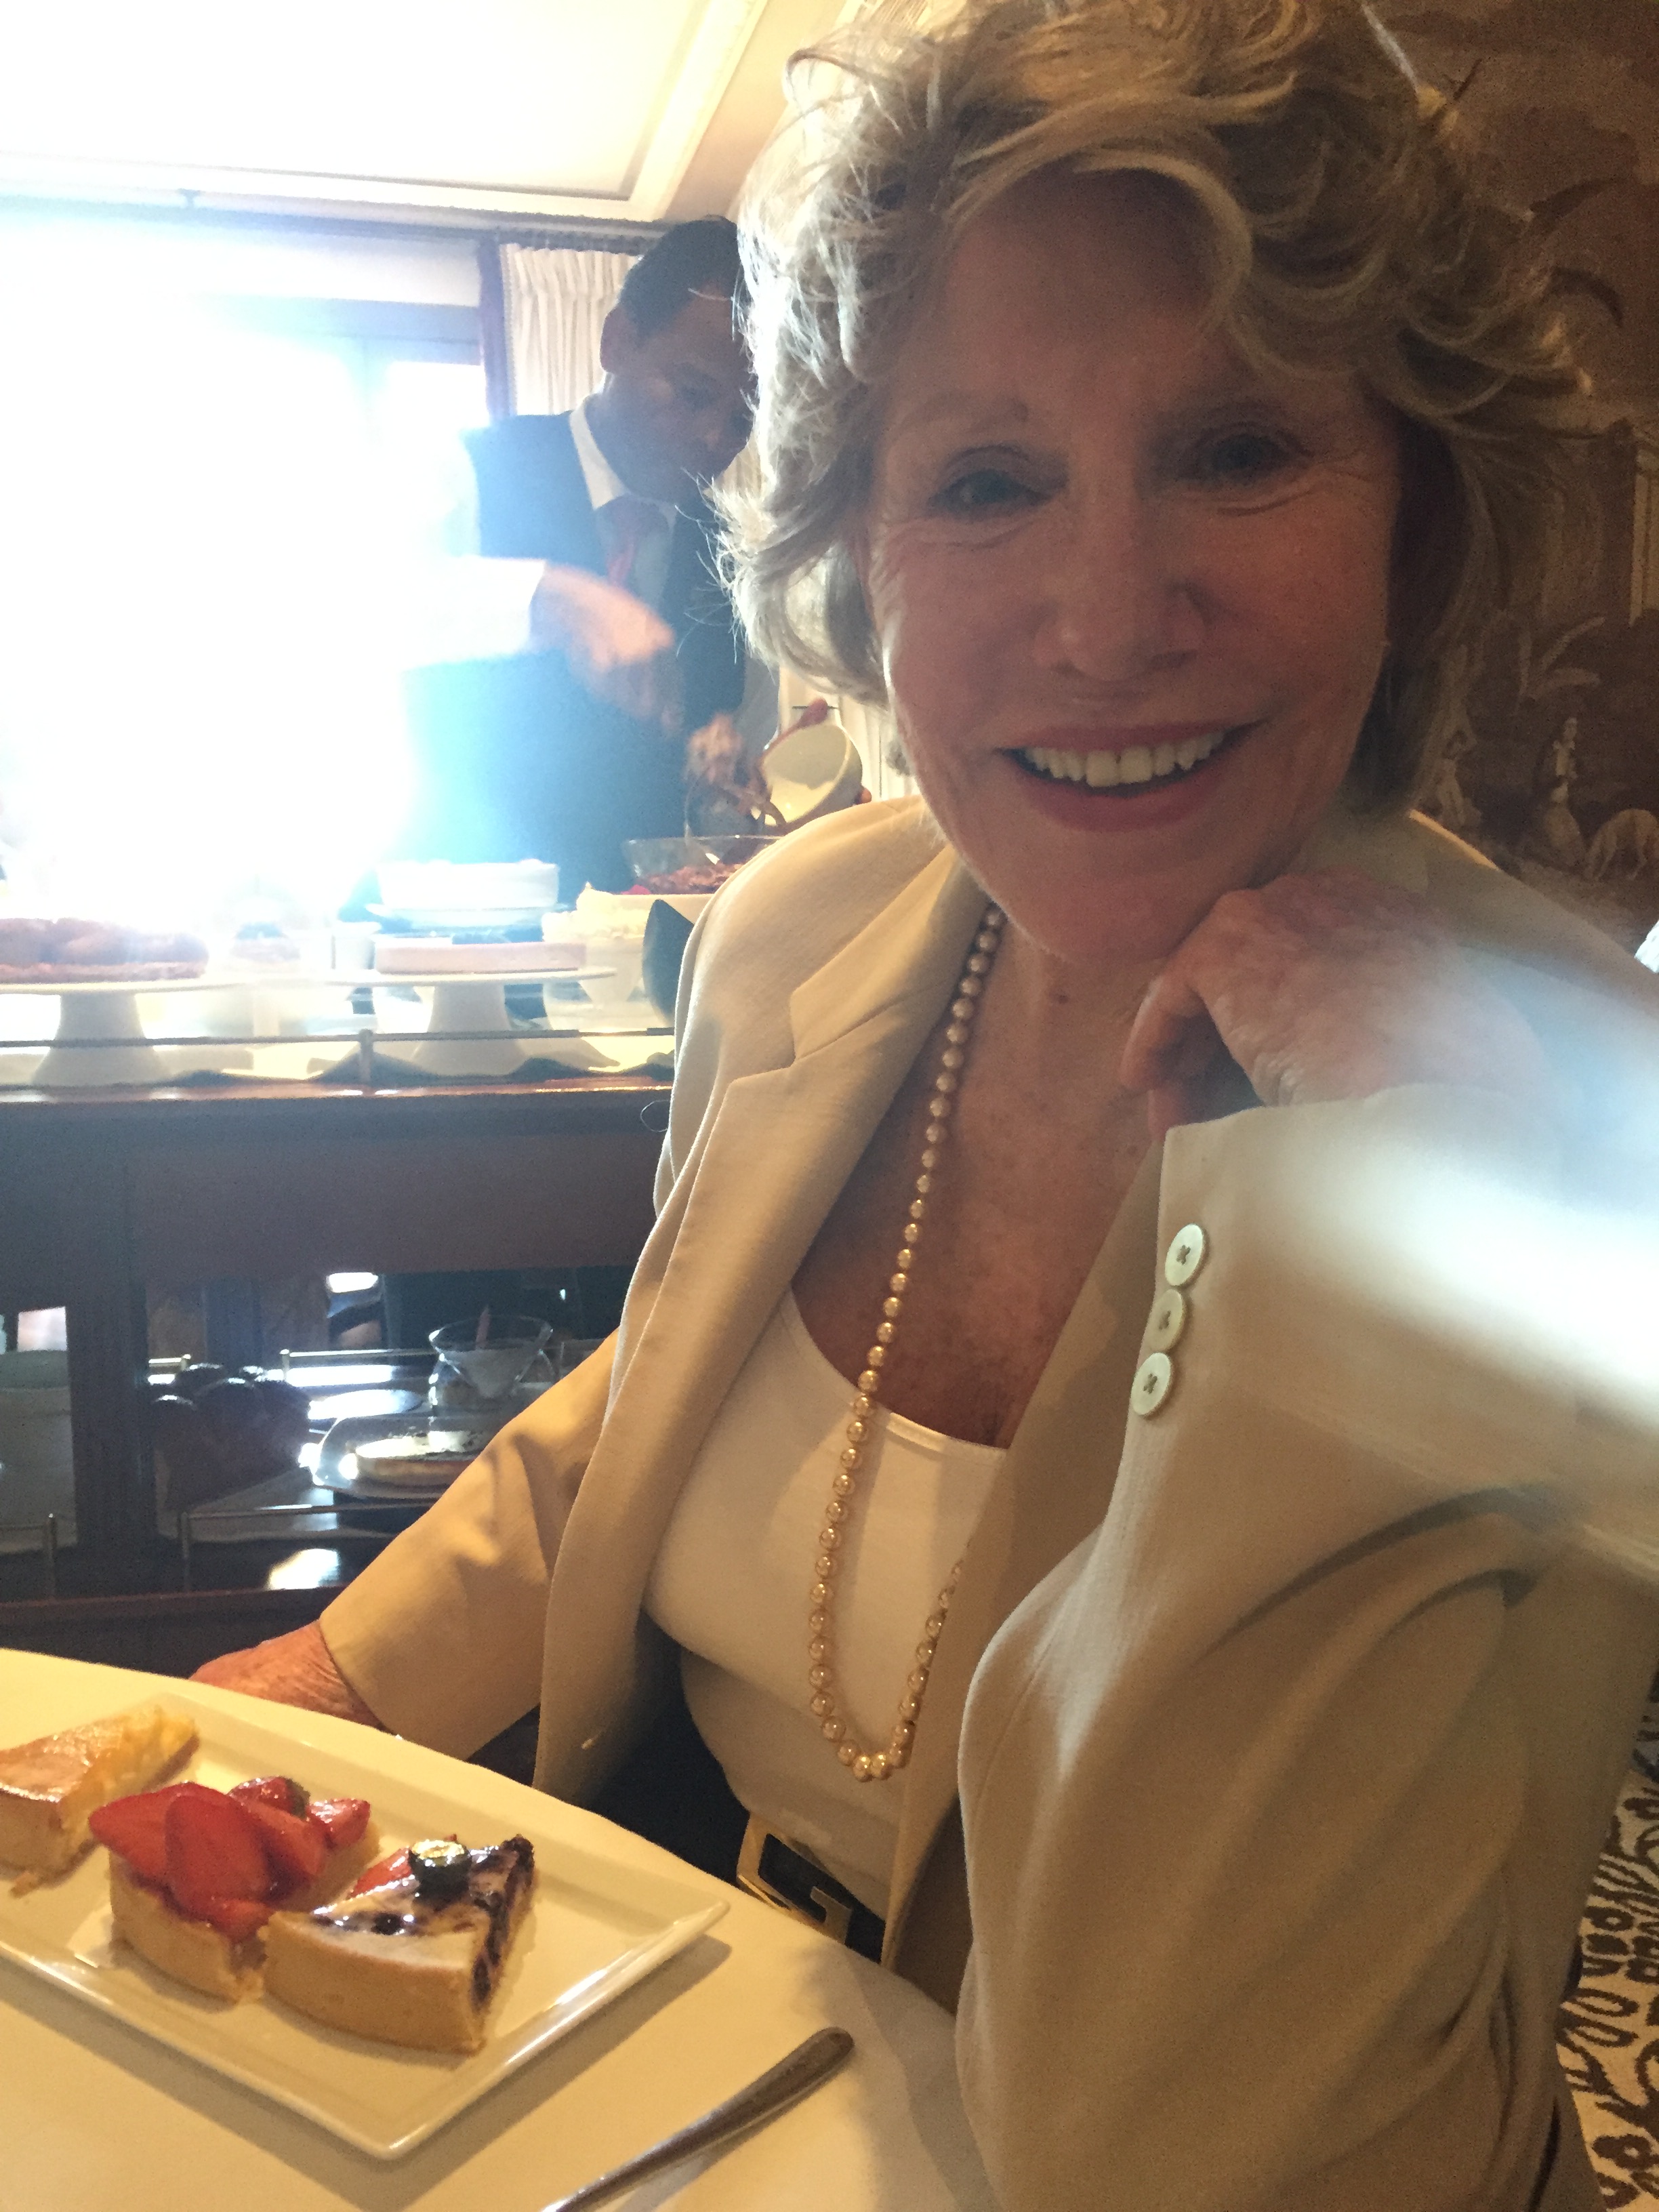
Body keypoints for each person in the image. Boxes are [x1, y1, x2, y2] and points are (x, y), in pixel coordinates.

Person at [198, 3, 1659, 2204]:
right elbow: (683, 1374)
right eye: (983, 482)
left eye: (1237, 449)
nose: (1105, 619)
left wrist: (1380, 1170)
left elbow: (1207, 2120)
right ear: (853, 565)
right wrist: (348, 1663)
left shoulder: (1573, 1120)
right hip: (694, 2062)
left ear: (1414, 516)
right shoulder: (814, 921)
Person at [396, 218, 758, 893]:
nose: (716, 438)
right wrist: (549, 597)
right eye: (693, 394)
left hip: (637, 924)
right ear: (617, 341)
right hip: (458, 905)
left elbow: (719, 755)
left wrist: (732, 785)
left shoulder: (731, 549)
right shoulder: (469, 465)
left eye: (744, 418)